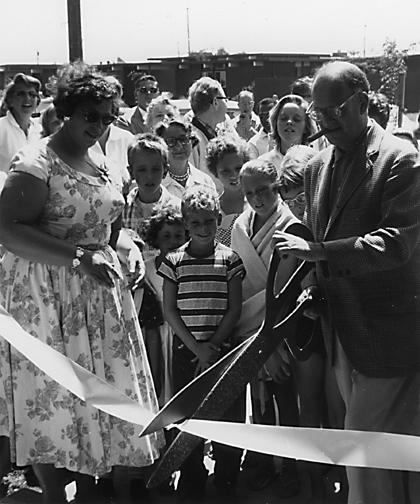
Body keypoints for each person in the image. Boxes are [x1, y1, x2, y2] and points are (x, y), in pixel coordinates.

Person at [0, 61, 164, 504]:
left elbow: (109, 226)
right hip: (48, 298)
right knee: (52, 396)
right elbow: (8, 229)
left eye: (109, 116)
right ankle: (56, 496)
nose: (100, 124)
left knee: (97, 396)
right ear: (68, 110)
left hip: (97, 297)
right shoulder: (37, 161)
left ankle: (91, 492)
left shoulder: (101, 161)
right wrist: (77, 257)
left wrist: (125, 247)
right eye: (91, 114)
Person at [272, 60, 420, 504]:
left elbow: (396, 244)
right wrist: (316, 287)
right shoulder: (317, 166)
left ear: (363, 101)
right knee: (384, 452)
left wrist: (320, 254)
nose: (325, 121)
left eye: (334, 110)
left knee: (361, 446)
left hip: (389, 336)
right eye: (318, 113)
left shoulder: (401, 160)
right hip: (340, 335)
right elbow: (321, 242)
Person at [158, 186, 245, 503]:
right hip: (187, 353)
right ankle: (193, 474)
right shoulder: (174, 262)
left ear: (219, 218)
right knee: (188, 416)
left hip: (223, 352)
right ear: (186, 223)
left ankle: (226, 477)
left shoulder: (229, 259)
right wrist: (196, 349)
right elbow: (170, 310)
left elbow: (234, 308)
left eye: (210, 221)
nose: (205, 229)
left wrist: (213, 347)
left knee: (228, 415)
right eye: (196, 223)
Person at [231, 159, 302, 499]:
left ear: (276, 187)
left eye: (263, 191)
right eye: (248, 193)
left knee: (286, 398)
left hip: (280, 330)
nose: (256, 199)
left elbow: (287, 286)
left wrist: (272, 341)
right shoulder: (239, 226)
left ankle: (291, 464)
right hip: (247, 329)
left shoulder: (291, 225)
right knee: (257, 402)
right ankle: (259, 460)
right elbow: (239, 280)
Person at [142, 204, 187, 406]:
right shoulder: (147, 268)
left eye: (178, 236)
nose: (173, 242)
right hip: (156, 334)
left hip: (182, 333)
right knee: (159, 383)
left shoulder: (189, 265)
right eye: (166, 236)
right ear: (156, 238)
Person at [187, 76, 234, 191]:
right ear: (215, 102)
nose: (227, 103)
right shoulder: (190, 139)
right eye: (225, 99)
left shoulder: (223, 131)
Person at [206, 135, 250, 247]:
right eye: (225, 171)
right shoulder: (213, 208)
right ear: (215, 172)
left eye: (238, 168)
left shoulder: (255, 203)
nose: (233, 175)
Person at [155, 118, 216, 199]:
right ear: (161, 145)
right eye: (171, 141)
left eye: (183, 139)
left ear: (192, 141)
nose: (179, 146)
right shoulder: (156, 184)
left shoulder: (205, 181)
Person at [259, 94, 317, 172]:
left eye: (297, 119)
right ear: (275, 123)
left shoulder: (316, 162)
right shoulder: (263, 163)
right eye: (284, 118)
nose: (289, 122)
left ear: (306, 127)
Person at [0, 73, 42, 173]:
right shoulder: (1, 127)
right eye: (20, 94)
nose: (27, 99)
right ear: (10, 100)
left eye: (32, 95)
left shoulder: (39, 129)